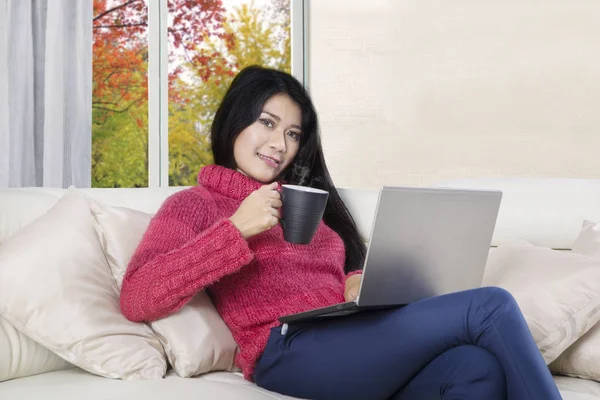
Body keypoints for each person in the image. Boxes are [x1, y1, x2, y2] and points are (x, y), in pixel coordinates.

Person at [119, 65, 562, 400]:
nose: (279, 145)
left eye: (293, 133)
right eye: (267, 123)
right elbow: (138, 296)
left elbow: (328, 276)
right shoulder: (194, 204)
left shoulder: (309, 207)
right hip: (288, 350)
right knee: (490, 305)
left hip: (352, 336)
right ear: (234, 119)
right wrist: (235, 230)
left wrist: (354, 281)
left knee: (474, 367)